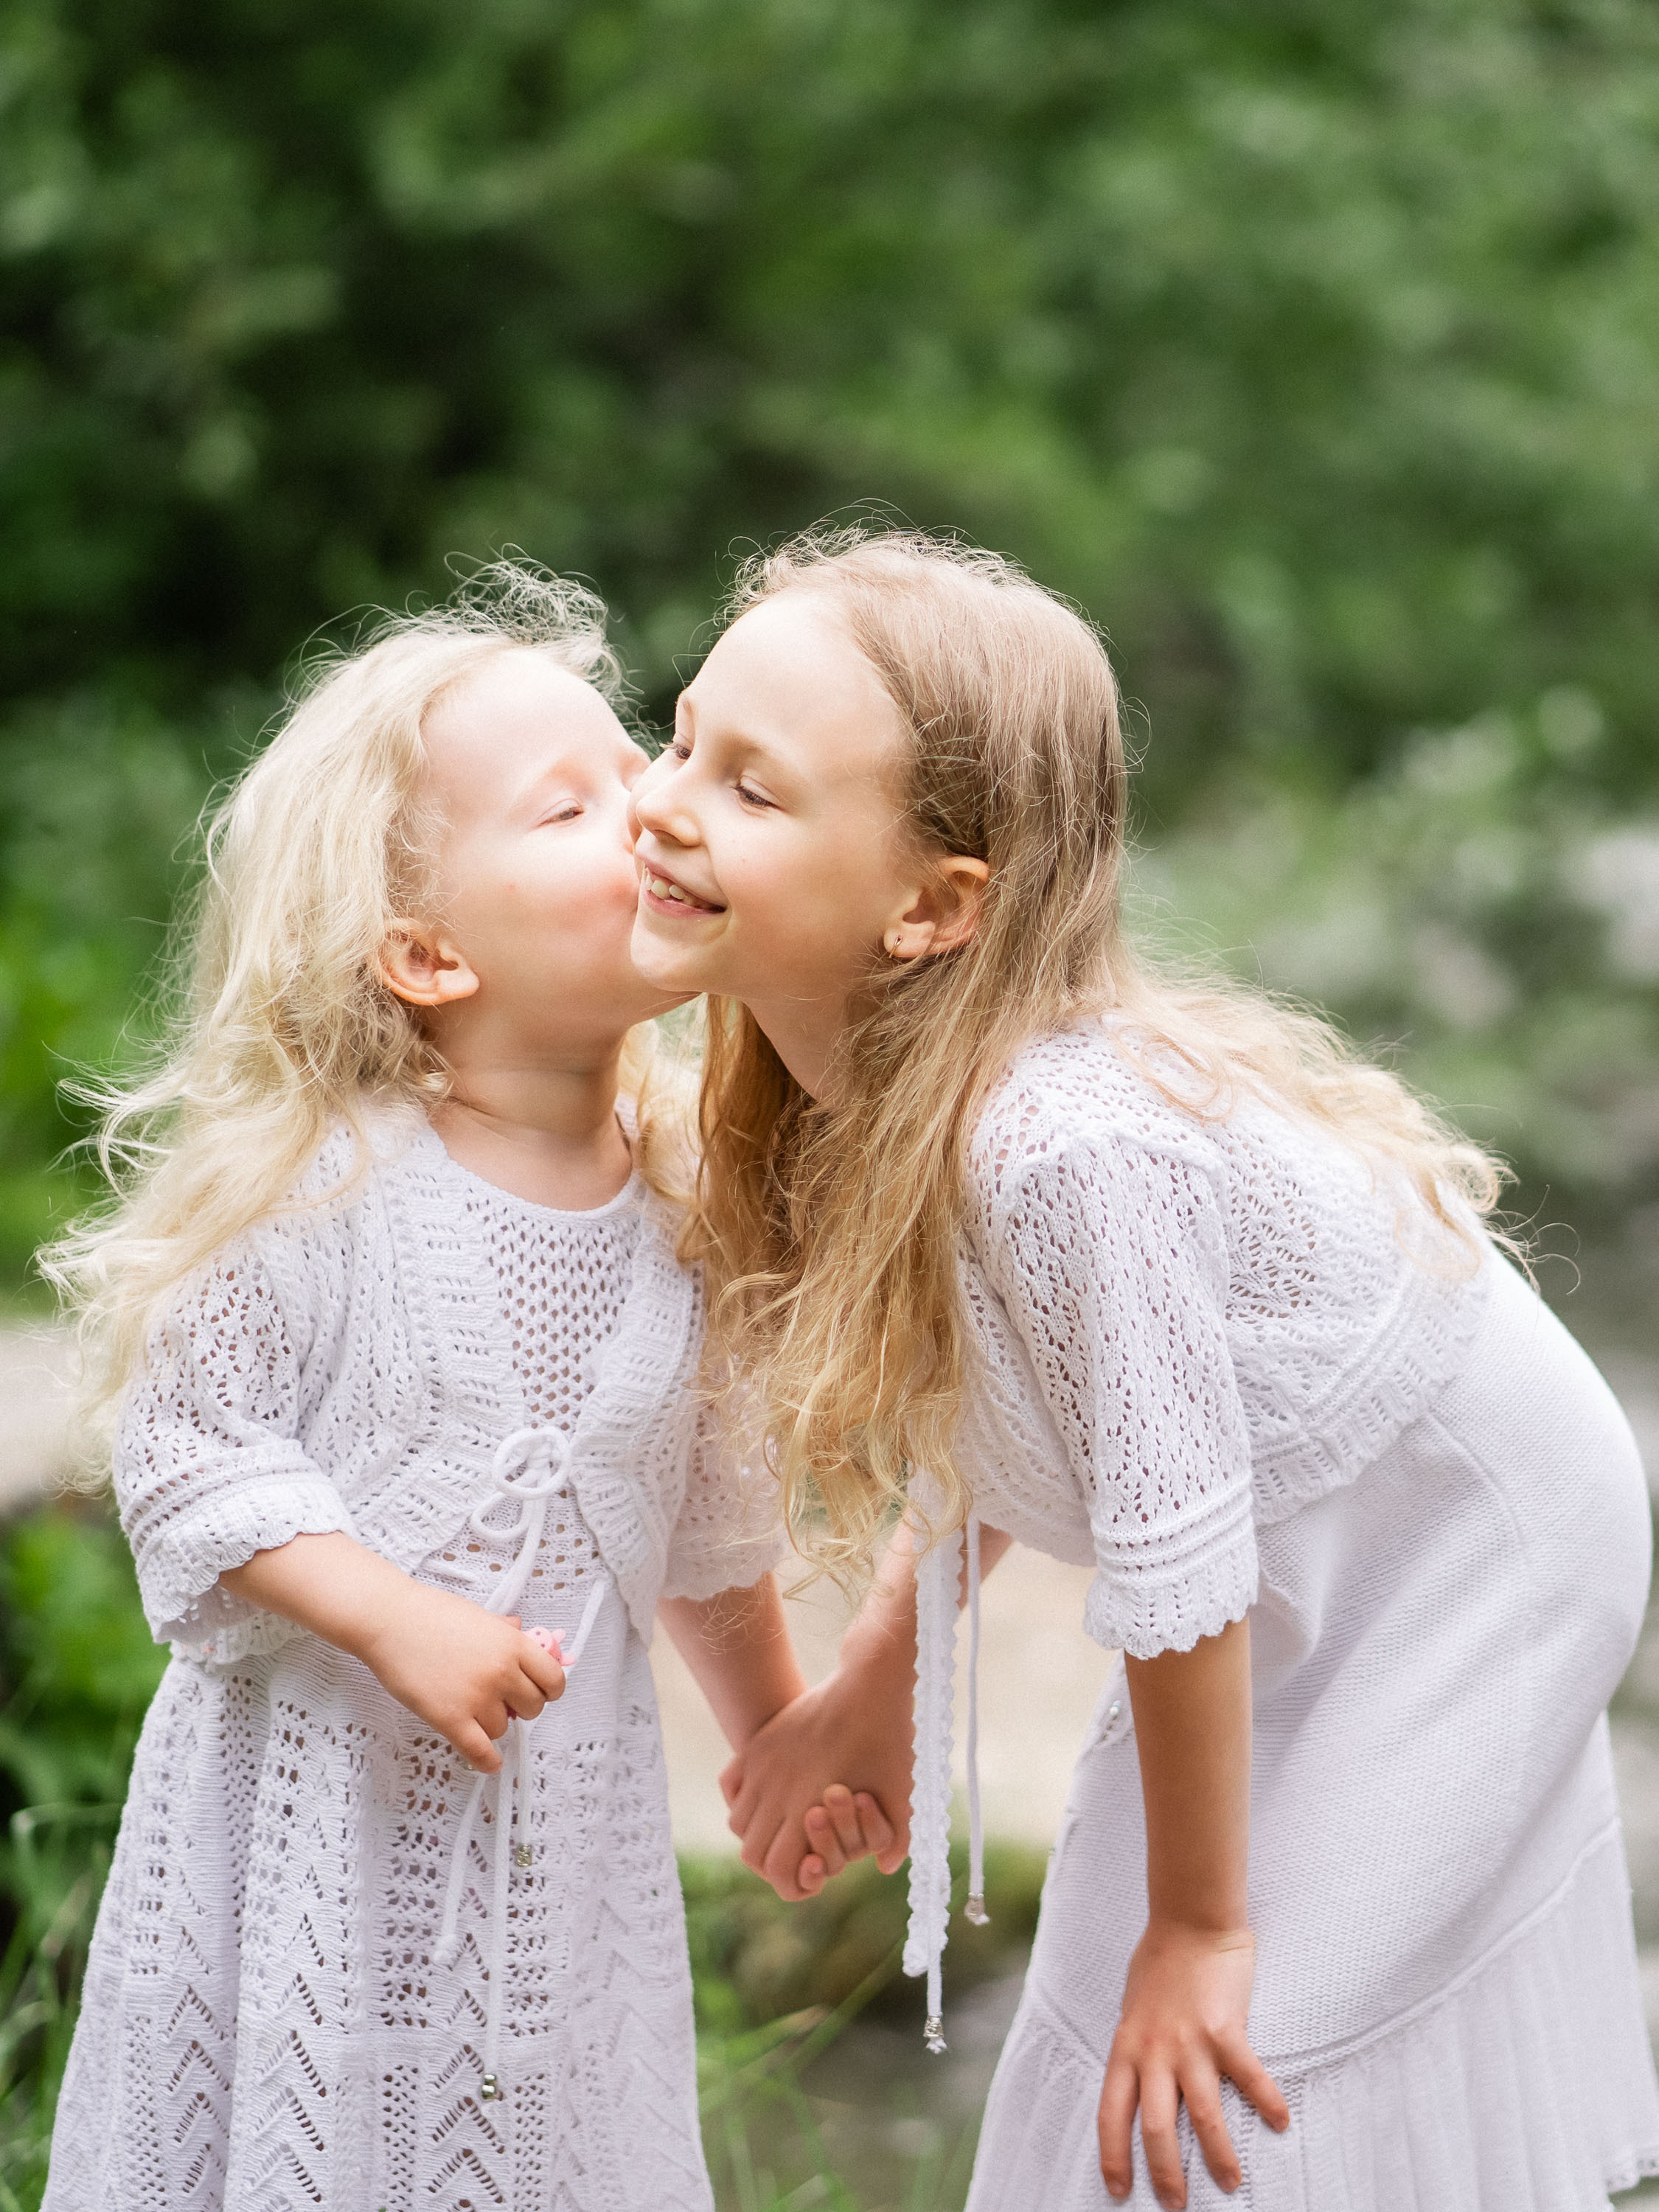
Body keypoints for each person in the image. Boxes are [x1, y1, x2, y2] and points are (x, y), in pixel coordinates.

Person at [627, 526, 1659, 2212]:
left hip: (1478, 1551)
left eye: (752, 787)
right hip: (1294, 1533)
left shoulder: (1060, 1153)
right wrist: (869, 1702)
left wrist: (1206, 1922)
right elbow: (1014, 1426)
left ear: (933, 907)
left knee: (1243, 2050)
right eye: (679, 739)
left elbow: (1183, 1551)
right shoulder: (835, 1102)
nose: (666, 799)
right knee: (1102, 2023)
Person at [40, 568, 803, 2212]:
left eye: (641, 766)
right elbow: (182, 1450)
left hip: (557, 1869)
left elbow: (708, 1526)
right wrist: (390, 1613)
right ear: (428, 953)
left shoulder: (686, 1213)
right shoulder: (329, 1194)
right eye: (572, 803)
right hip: (311, 1849)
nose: (654, 813)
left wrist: (779, 1738)